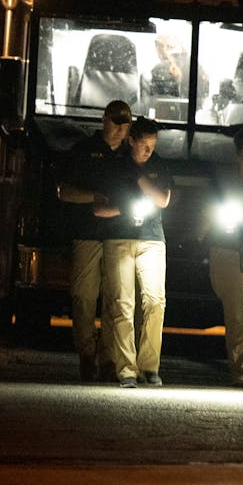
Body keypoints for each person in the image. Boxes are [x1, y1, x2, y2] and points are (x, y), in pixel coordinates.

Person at [57, 99, 133, 382]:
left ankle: (109, 359)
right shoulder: (83, 151)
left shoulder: (131, 156)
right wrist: (93, 198)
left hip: (121, 236)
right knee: (84, 296)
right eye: (114, 123)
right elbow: (63, 191)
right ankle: (86, 354)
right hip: (87, 233)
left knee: (116, 300)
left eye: (124, 125)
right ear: (103, 120)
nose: (118, 129)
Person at [94, 117, 172, 388]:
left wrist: (140, 179)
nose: (148, 152)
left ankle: (149, 366)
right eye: (143, 145)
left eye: (152, 146)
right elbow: (98, 208)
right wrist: (124, 211)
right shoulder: (113, 166)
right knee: (122, 304)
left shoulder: (158, 165)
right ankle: (126, 368)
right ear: (130, 141)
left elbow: (163, 200)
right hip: (118, 239)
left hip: (152, 240)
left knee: (155, 302)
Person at [205, 128, 243, 388]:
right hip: (230, 252)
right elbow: (208, 216)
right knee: (238, 316)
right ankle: (241, 373)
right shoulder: (224, 184)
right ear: (236, 158)